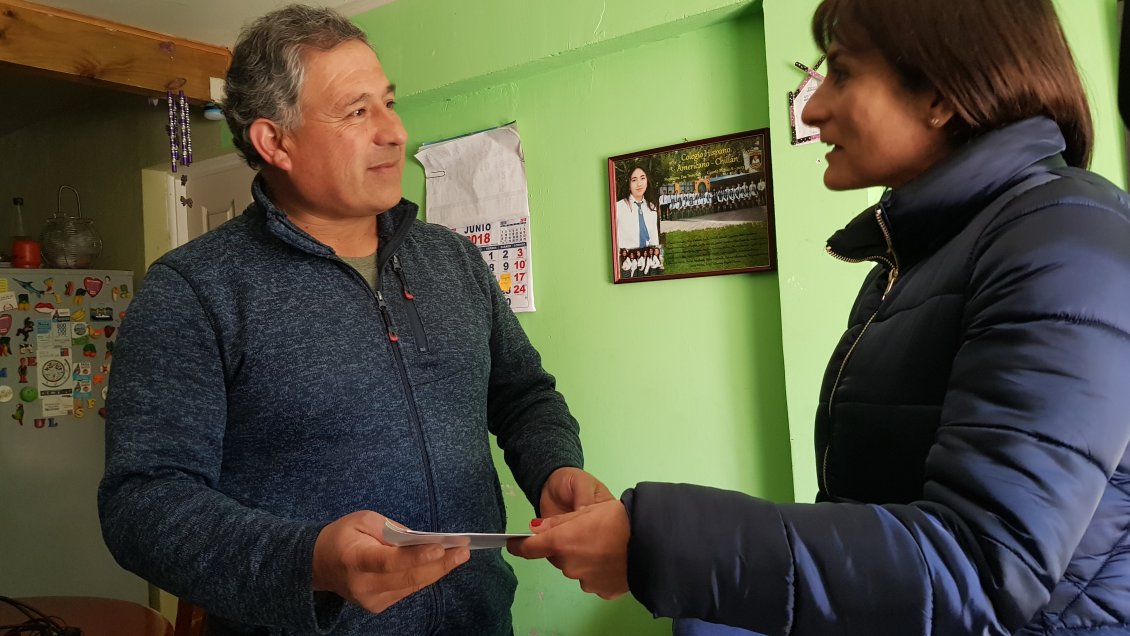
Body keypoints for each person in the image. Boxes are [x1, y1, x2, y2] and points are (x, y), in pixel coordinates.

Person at [509, 1, 1130, 634]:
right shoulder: (914, 262)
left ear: (941, 93)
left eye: (843, 73)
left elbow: (981, 569)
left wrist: (653, 544)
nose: (810, 109)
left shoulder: (1062, 236)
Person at [97, 5, 608, 635]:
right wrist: (308, 562)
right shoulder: (194, 291)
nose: (395, 132)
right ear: (274, 142)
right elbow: (143, 505)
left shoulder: (454, 260)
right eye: (358, 111)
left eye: (389, 103)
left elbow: (522, 394)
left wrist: (555, 468)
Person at [615, 166, 660, 251]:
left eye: (642, 178)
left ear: (647, 181)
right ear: (629, 184)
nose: (639, 184)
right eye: (634, 180)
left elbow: (654, 239)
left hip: (647, 258)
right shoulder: (618, 207)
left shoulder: (651, 207)